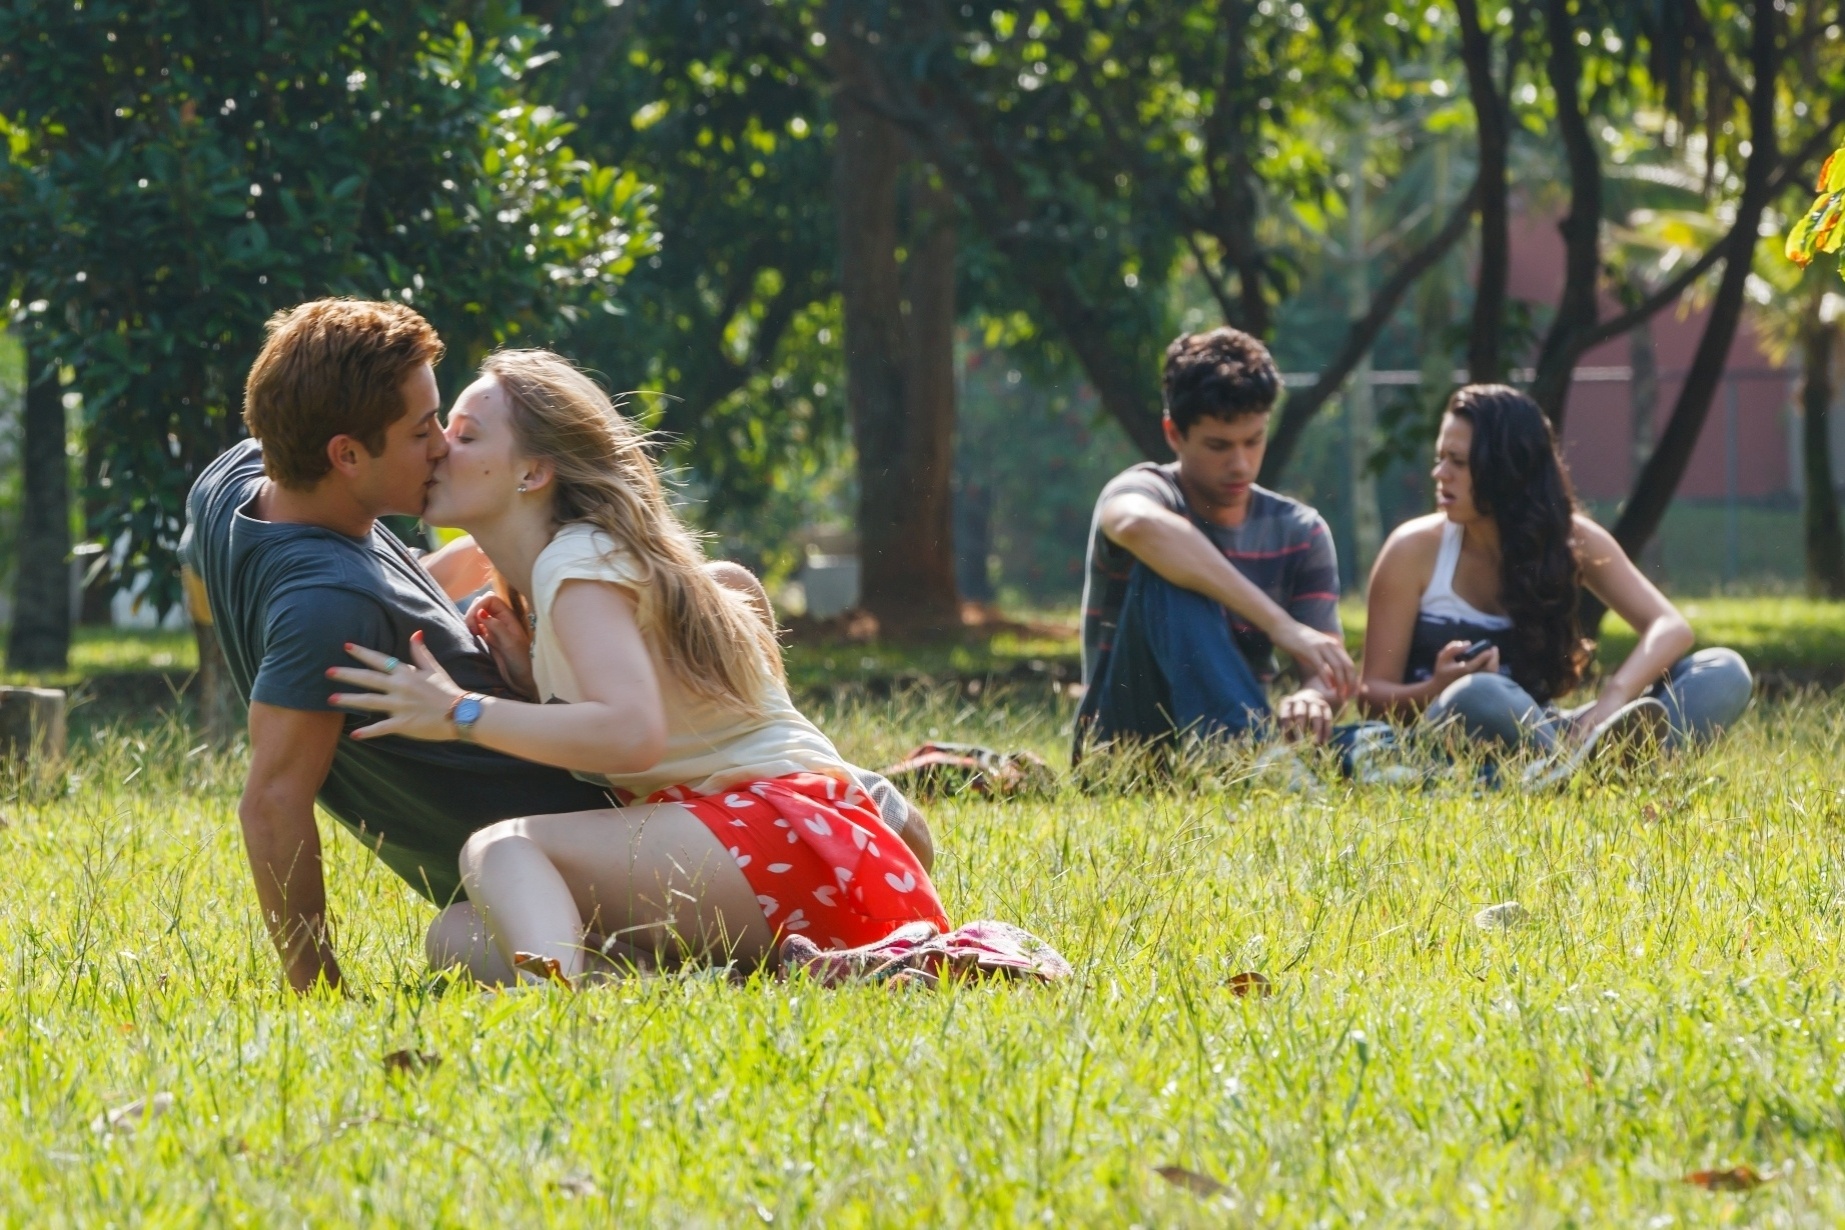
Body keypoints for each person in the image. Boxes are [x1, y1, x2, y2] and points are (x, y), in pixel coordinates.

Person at [184, 300, 929, 992]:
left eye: (458, 432)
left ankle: (566, 1002)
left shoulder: (568, 569)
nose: (439, 447)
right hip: (741, 839)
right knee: (455, 939)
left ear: (533, 472)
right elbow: (361, 608)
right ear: (344, 455)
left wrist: (463, 710)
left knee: (499, 851)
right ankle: (730, 971)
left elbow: (634, 726)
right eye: (425, 431)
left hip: (762, 833)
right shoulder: (384, 578)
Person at [1358, 384, 1751, 775]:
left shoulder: (1569, 539)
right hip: (1447, 738)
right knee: (1479, 692)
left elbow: (1670, 627)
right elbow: (1370, 696)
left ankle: (1577, 768)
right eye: (1440, 458)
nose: (1439, 473)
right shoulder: (1412, 550)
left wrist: (1608, 705)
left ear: (1506, 467)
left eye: (1457, 462)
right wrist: (1436, 688)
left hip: (1544, 735)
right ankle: (1591, 773)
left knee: (1724, 671)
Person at [1075, 327, 1357, 759]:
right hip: (1125, 749)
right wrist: (1280, 625)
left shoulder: (1301, 531)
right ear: (1174, 434)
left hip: (1244, 732)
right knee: (1168, 568)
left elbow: (1328, 667)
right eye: (1218, 445)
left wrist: (1314, 696)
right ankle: (1252, 759)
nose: (1240, 464)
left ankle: (1250, 755)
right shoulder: (1146, 491)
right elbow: (1133, 523)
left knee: (1366, 742)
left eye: (1253, 440)